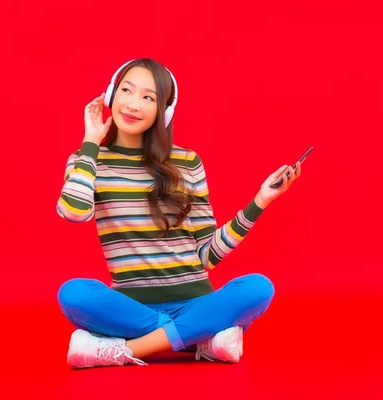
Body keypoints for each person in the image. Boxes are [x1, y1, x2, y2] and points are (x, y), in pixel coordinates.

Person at [56, 58, 303, 368]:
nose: (134, 104)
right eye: (127, 91)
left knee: (258, 288)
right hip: (132, 308)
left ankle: (128, 350)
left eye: (148, 97)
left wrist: (259, 202)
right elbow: (73, 211)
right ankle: (200, 340)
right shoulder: (88, 160)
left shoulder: (187, 161)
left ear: (165, 111)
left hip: (197, 302)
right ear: (111, 95)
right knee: (75, 294)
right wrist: (90, 143)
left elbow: (206, 256)